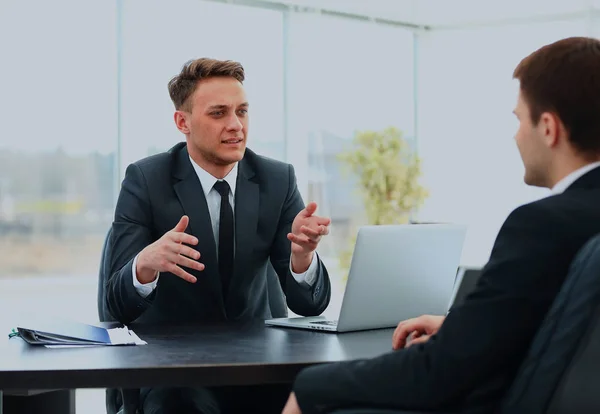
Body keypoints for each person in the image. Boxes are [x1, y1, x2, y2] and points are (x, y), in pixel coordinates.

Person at [282, 36, 600, 414]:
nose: (516, 135)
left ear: (548, 128)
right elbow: (558, 323)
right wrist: (463, 327)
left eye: (519, 119)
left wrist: (310, 386)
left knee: (314, 392)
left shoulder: (542, 224)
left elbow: (436, 375)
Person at [105, 57, 332, 413]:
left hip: (258, 366)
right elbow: (116, 303)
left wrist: (302, 259)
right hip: (175, 371)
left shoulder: (277, 180)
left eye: (242, 111)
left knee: (324, 395)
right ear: (183, 122)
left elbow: (309, 306)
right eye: (218, 113)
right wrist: (144, 265)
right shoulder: (146, 181)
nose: (236, 125)